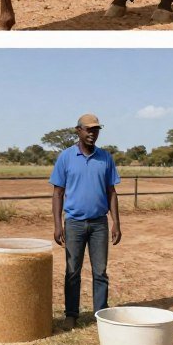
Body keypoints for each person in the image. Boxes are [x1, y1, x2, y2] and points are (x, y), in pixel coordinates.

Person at [50, 113, 122, 330]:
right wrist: (57, 224)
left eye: (96, 129)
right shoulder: (65, 157)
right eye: (88, 129)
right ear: (78, 130)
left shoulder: (106, 158)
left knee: (100, 271)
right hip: (74, 224)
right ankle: (72, 314)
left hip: (99, 223)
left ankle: (101, 315)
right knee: (72, 271)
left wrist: (116, 222)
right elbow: (58, 193)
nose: (93, 133)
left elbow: (112, 192)